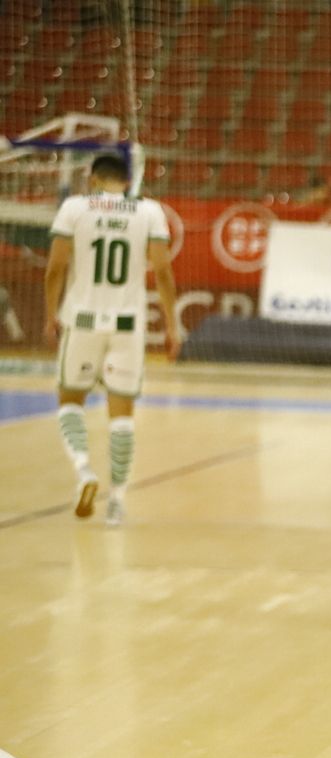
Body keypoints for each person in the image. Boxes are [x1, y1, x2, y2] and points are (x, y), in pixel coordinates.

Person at [43, 153, 179, 525]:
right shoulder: (150, 211)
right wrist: (172, 325)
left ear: (93, 180)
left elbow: (55, 268)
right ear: (126, 180)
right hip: (127, 324)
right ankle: (117, 501)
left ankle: (85, 470)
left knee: (70, 400)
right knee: (123, 417)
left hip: (83, 321)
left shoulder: (74, 207)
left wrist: (50, 313)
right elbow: (163, 273)